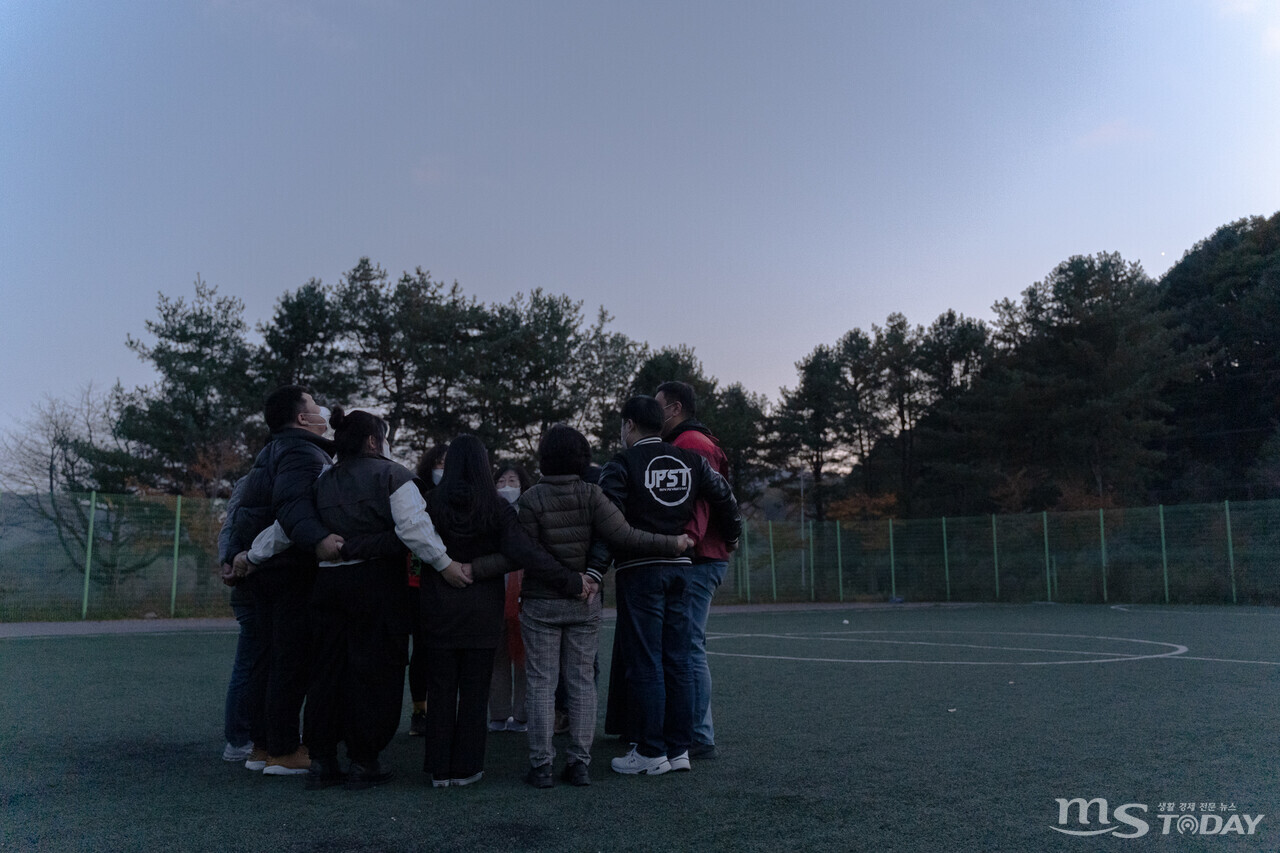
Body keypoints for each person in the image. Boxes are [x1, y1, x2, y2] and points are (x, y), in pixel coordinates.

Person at [514, 424, 690, 788]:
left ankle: (541, 766)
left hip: (541, 603)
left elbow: (527, 554)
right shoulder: (592, 494)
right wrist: (671, 543)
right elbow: (624, 535)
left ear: (544, 457)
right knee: (581, 683)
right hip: (585, 601)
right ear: (581, 457)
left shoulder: (530, 499)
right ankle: (579, 764)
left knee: (540, 684)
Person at [302, 409, 464, 790]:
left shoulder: (320, 481)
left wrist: (250, 557)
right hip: (376, 584)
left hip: (326, 586)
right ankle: (364, 759)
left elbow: (288, 528)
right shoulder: (394, 475)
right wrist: (445, 564)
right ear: (374, 441)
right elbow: (414, 530)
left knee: (327, 672)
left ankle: (322, 758)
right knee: (376, 671)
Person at [419, 435, 579, 787]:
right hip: (481, 610)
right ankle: (467, 768)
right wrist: (571, 581)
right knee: (476, 691)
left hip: (437, 607)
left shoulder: (430, 504)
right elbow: (524, 553)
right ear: (484, 465)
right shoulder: (496, 508)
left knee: (441, 689)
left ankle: (438, 768)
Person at [597, 396, 740, 777]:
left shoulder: (621, 464)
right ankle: (680, 750)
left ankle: (649, 750)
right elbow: (724, 495)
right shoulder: (691, 461)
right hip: (681, 570)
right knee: (677, 660)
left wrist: (595, 570)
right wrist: (733, 534)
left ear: (628, 425)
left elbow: (607, 521)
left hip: (640, 572)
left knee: (645, 661)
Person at [228, 385, 346, 777]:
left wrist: (240, 556)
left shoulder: (272, 450)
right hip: (288, 569)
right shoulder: (301, 451)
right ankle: (283, 749)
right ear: (301, 418)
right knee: (290, 660)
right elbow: (293, 505)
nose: (321, 409)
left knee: (266, 659)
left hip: (262, 570)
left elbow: (246, 511)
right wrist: (318, 539)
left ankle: (261, 746)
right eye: (314, 404)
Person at [656, 380, 731, 760]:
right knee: (684, 645)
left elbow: (703, 501)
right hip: (705, 553)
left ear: (674, 408)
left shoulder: (691, 446)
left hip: (700, 557)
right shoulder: (698, 442)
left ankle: (700, 736)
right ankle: (690, 731)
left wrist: (687, 537)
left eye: (659, 407)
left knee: (689, 646)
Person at [405, 445, 448, 738]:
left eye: (447, 464)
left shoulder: (464, 497)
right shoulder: (414, 494)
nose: (441, 469)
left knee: (444, 651)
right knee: (420, 650)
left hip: (449, 580)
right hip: (416, 581)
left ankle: (444, 710)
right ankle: (420, 710)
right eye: (437, 463)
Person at [487, 463, 533, 735]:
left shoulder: (529, 512)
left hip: (524, 591)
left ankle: (523, 715)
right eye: (501, 481)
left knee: (524, 656)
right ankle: (499, 713)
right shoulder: (488, 513)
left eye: (512, 480)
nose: (506, 486)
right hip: (495, 589)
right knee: (498, 656)